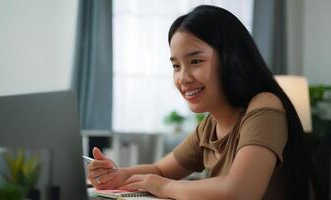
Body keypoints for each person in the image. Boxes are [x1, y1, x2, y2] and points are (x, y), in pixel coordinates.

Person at [88, 5, 316, 200]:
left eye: (195, 61)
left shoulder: (265, 106)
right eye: (176, 66)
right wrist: (120, 175)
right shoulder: (209, 127)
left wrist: (164, 186)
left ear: (231, 58)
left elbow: (242, 192)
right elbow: (161, 169)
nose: (183, 78)